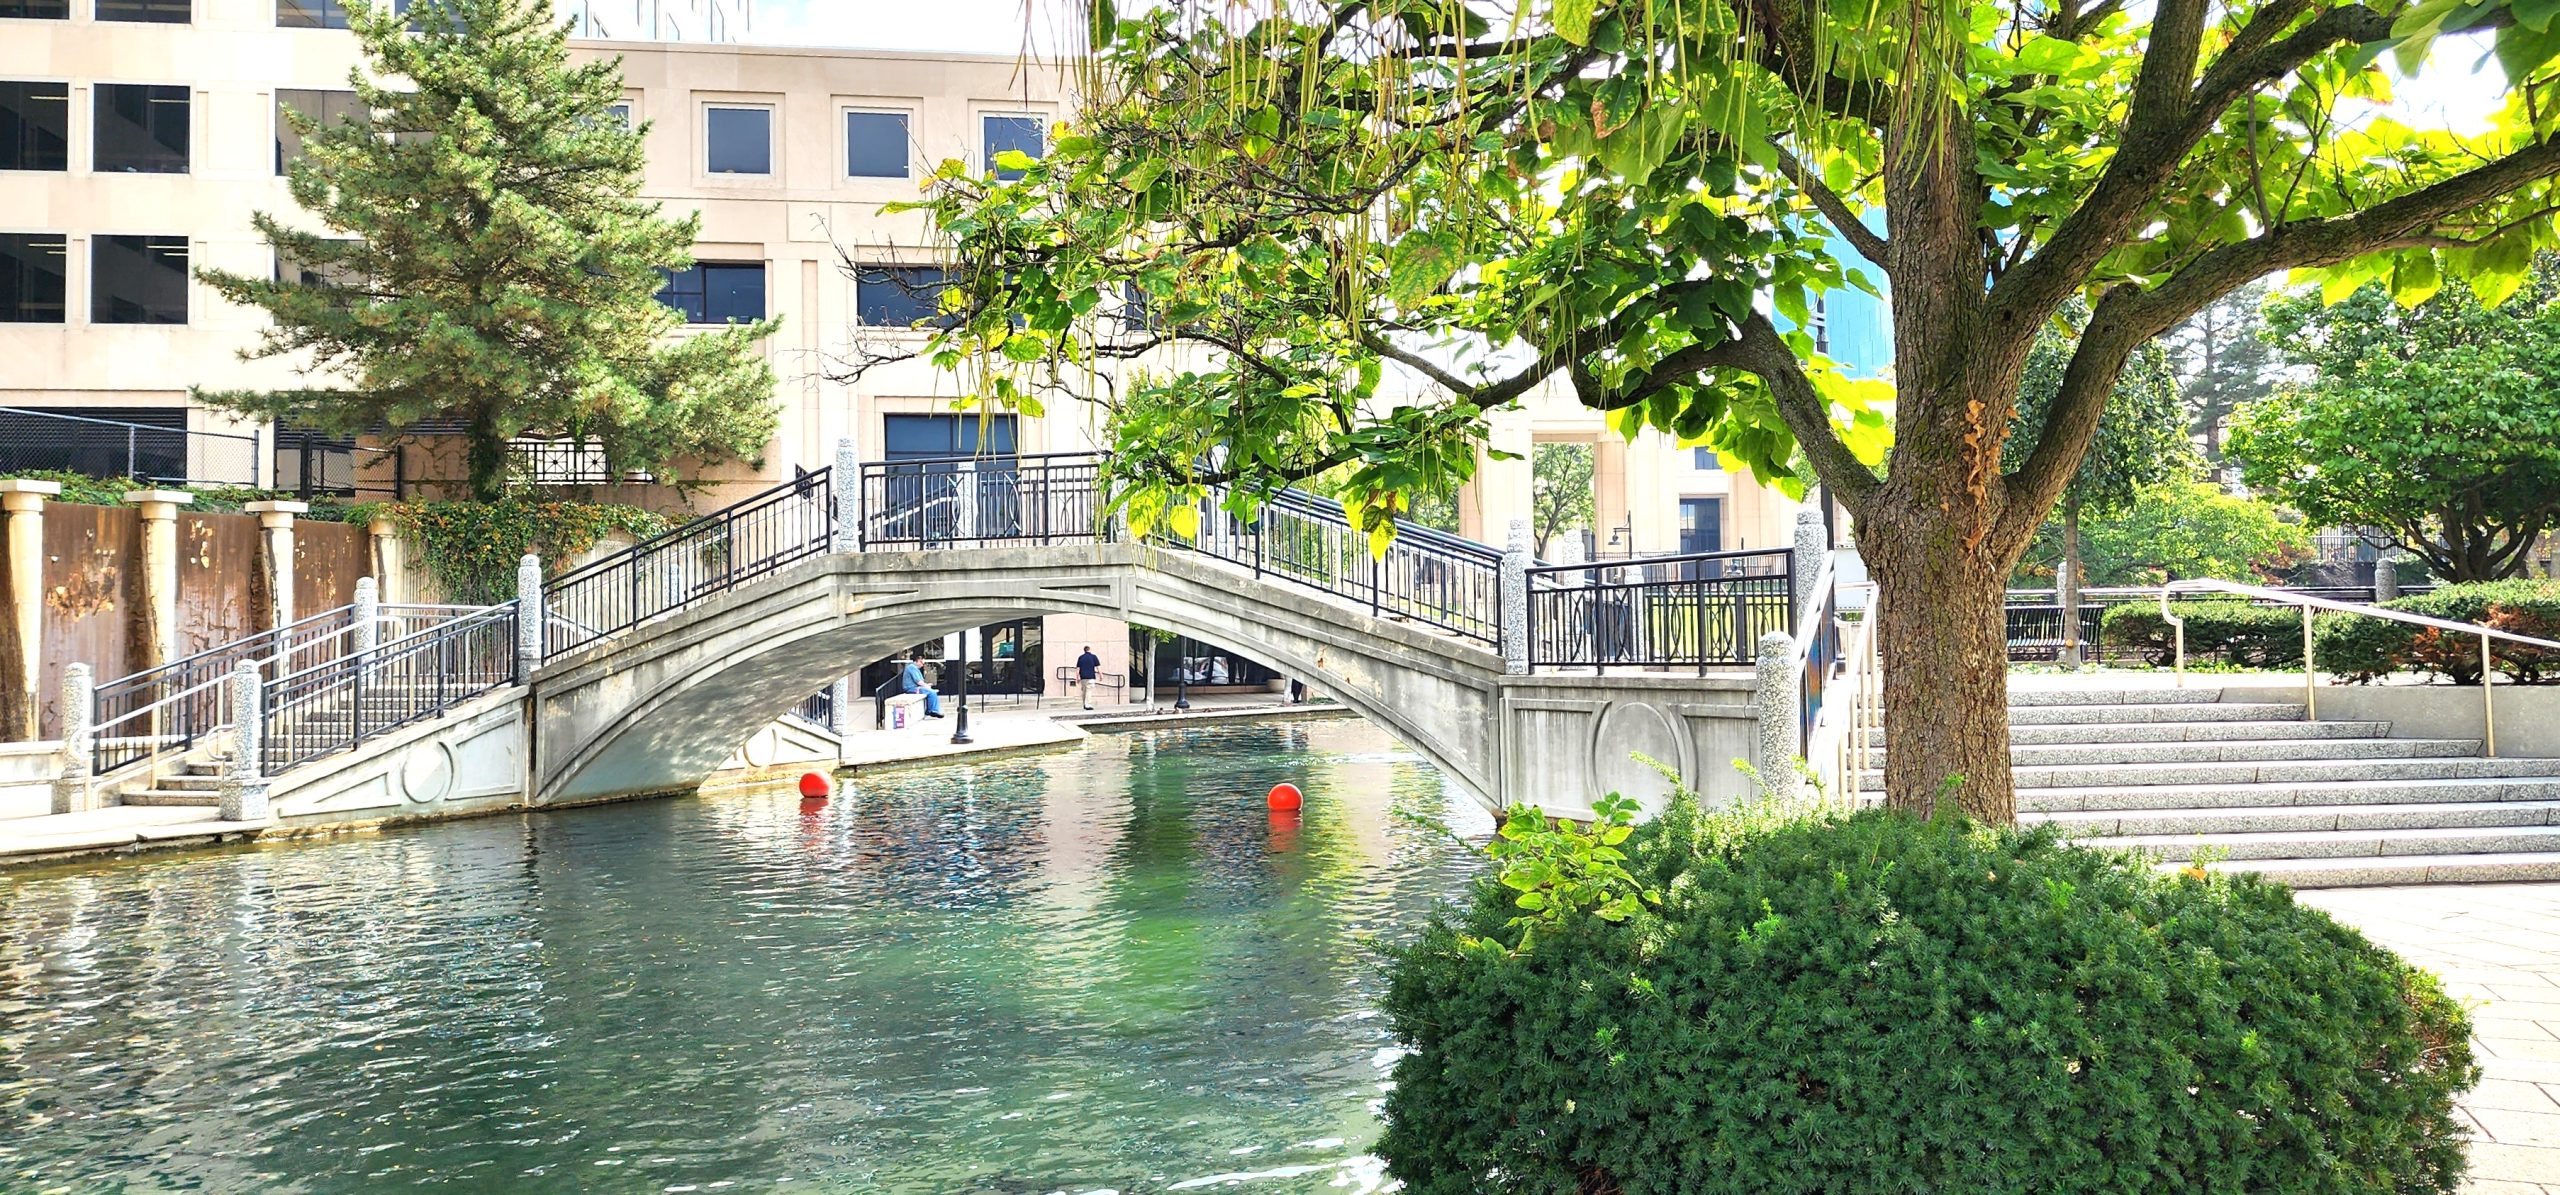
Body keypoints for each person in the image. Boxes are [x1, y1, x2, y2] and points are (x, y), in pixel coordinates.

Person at [899, 649, 944, 718]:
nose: (922, 665)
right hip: (911, 688)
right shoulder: (912, 667)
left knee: (931, 691)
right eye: (922, 663)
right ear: (918, 661)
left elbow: (919, 681)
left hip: (914, 687)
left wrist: (926, 685)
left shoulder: (913, 668)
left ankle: (932, 710)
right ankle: (932, 711)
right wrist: (926, 686)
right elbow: (918, 681)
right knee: (932, 692)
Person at [1075, 645, 1102, 710]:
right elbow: (1098, 667)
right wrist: (1101, 675)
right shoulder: (1093, 657)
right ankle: (1088, 705)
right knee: (1089, 691)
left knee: (1084, 691)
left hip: (1083, 677)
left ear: (1084, 650)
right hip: (1091, 676)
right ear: (1089, 650)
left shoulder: (1081, 657)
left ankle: (1084, 704)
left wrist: (1077, 677)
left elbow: (1078, 668)